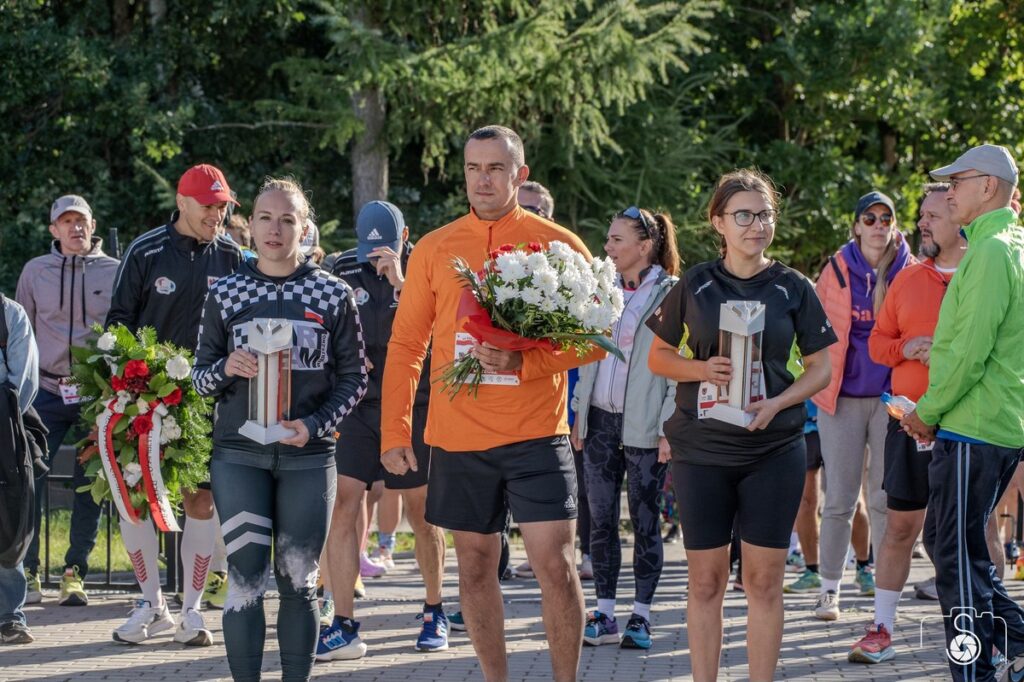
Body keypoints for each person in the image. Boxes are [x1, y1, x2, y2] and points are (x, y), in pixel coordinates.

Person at [380, 125, 603, 682]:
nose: (484, 179)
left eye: (496, 168)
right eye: (474, 168)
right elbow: (407, 345)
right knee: (476, 568)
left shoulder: (559, 243)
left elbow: (594, 339)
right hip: (460, 439)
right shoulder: (434, 247)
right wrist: (394, 431)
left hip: (536, 435)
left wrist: (526, 363)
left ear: (519, 174)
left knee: (556, 566)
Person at [646, 169, 836, 682]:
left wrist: (779, 402)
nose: (757, 225)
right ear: (718, 222)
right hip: (702, 449)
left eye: (765, 214)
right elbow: (659, 357)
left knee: (764, 582)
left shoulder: (794, 286)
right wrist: (701, 369)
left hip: (772, 448)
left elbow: (821, 368)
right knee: (705, 582)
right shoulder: (694, 283)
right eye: (744, 215)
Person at [192, 176, 366, 681]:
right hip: (238, 457)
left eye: (287, 220)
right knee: (245, 579)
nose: (275, 229)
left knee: (299, 581)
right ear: (250, 227)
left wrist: (313, 426)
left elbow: (355, 379)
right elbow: (200, 378)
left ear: (304, 228)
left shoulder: (333, 293)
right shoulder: (226, 292)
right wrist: (227, 368)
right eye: (266, 218)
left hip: (307, 459)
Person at [900, 144, 1024, 682]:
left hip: (974, 425)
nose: (949, 190)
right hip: (984, 422)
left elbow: (971, 349)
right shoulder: (998, 244)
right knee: (956, 551)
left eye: (959, 180)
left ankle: (976, 671)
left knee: (953, 557)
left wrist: (927, 410)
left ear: (989, 187)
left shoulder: (994, 250)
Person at [105, 163, 243, 646]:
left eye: (224, 206)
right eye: (209, 205)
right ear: (182, 202)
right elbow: (117, 322)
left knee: (200, 501)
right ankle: (151, 604)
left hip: (208, 402)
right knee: (138, 502)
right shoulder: (146, 250)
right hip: (145, 402)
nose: (217, 214)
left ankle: (191, 610)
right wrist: (134, 380)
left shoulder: (233, 255)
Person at [316, 199, 448, 660]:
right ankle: (344, 623)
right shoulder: (341, 270)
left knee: (420, 510)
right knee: (344, 507)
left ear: (404, 237)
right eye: (369, 250)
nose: (375, 259)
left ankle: (435, 608)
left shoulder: (425, 271)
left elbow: (446, 334)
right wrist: (345, 360)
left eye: (384, 250)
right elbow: (322, 332)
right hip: (358, 407)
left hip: (412, 405)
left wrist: (402, 283)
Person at [844, 182, 965, 662]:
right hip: (908, 424)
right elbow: (877, 345)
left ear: (961, 218)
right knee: (899, 529)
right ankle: (881, 630)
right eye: (921, 216)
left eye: (932, 215)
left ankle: (979, 632)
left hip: (967, 427)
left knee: (965, 532)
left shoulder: (985, 274)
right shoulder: (908, 280)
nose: (922, 224)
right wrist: (905, 349)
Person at [572, 206, 680, 649]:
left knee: (644, 519)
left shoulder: (672, 293)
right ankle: (604, 613)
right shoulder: (602, 287)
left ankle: (642, 616)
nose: (608, 248)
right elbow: (587, 354)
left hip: (645, 425)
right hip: (598, 420)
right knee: (599, 520)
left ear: (644, 245)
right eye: (609, 239)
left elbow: (677, 363)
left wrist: (668, 425)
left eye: (617, 240)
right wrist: (579, 413)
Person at [811, 190, 914, 620]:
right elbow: (813, 332)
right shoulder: (835, 270)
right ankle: (828, 590)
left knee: (884, 498)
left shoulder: (911, 270)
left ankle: (884, 596)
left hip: (893, 400)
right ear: (855, 226)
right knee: (838, 498)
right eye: (868, 218)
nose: (877, 226)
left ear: (893, 224)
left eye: (884, 218)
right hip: (841, 399)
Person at [15, 195, 119, 607]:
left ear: (93, 225)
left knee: (89, 483)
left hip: (94, 390)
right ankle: (29, 569)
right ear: (53, 229)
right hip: (46, 389)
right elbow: (19, 329)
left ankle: (75, 570)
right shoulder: (35, 271)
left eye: (82, 221)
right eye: (67, 221)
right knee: (29, 479)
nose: (76, 228)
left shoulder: (115, 270)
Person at [0, 296, 40, 644]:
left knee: (7, 521)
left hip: (2, 432)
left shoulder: (9, 313)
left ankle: (9, 617)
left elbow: (23, 382)